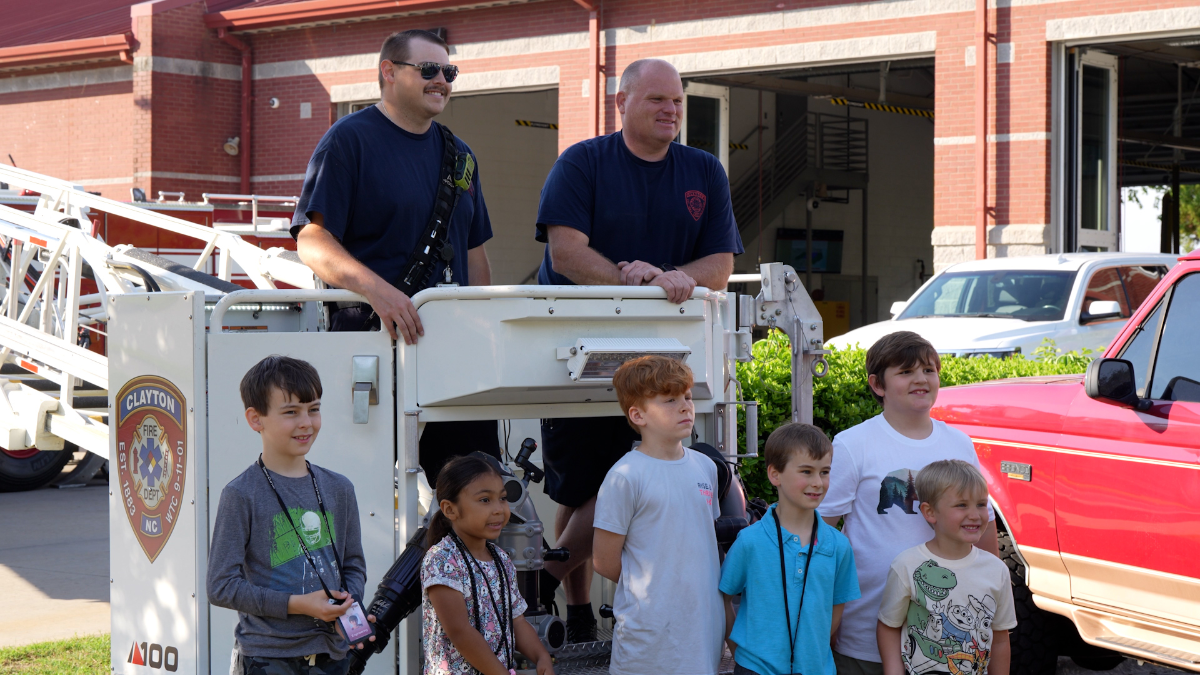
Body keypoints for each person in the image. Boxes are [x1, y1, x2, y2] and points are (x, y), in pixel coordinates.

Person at [533, 57, 744, 640]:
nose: (671, 110)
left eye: (677, 100)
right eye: (656, 100)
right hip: (575, 348)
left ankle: (540, 582)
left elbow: (721, 265)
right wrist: (640, 282)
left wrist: (667, 276)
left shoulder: (704, 170)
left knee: (621, 477)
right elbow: (566, 254)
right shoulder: (582, 163)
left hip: (661, 356)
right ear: (621, 102)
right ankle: (575, 611)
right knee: (578, 488)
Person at [290, 28, 500, 483]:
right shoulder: (349, 141)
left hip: (453, 361)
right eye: (428, 69)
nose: (442, 80)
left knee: (476, 494)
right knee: (371, 501)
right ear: (388, 71)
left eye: (450, 71)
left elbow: (473, 253)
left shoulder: (459, 155)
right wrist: (380, 294)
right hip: (373, 353)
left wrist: (487, 335)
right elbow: (312, 240)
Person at [820, 331, 999, 675]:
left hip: (946, 638)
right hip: (864, 631)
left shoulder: (959, 442)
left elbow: (984, 524)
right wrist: (822, 617)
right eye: (905, 372)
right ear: (878, 384)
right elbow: (823, 534)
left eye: (928, 370)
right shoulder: (853, 444)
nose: (920, 379)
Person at [207, 356, 375, 675]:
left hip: (332, 656)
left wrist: (347, 606)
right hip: (267, 657)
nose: (306, 422)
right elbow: (220, 585)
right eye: (290, 412)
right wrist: (297, 605)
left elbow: (353, 564)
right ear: (256, 419)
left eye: (313, 409)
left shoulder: (340, 488)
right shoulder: (241, 494)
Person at [592, 356, 724, 675]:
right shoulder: (625, 475)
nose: (685, 407)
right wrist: (656, 591)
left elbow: (706, 540)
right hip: (648, 642)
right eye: (669, 400)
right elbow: (604, 561)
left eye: (687, 397)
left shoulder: (705, 466)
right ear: (638, 415)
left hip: (702, 630)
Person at [720, 423, 860, 675]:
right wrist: (742, 654)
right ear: (775, 475)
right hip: (754, 669)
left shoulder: (839, 546)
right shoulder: (749, 541)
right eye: (806, 471)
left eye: (825, 472)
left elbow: (835, 613)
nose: (818, 482)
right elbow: (724, 599)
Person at [421, 454, 555, 675]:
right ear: (450, 509)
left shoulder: (501, 560)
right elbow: (460, 632)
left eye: (502, 498)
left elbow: (518, 621)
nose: (498, 509)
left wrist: (542, 657)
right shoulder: (442, 560)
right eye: (485, 500)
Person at [877, 460, 1014, 675]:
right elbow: (888, 627)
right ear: (930, 512)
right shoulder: (906, 565)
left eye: (980, 504)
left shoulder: (997, 570)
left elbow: (999, 638)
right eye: (961, 505)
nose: (975, 514)